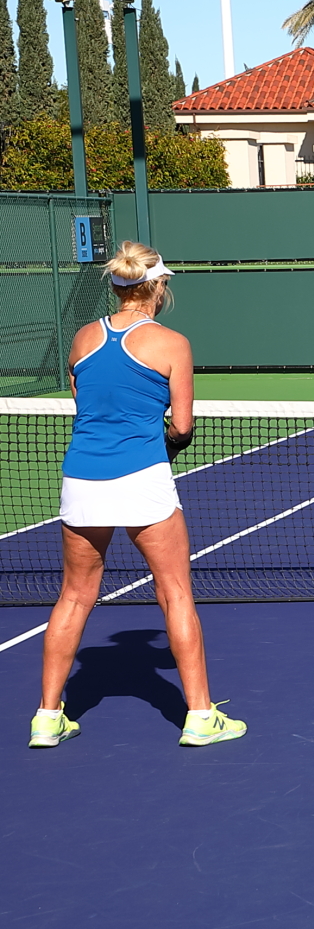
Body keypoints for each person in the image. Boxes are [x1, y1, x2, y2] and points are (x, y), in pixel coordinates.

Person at [31, 242, 246, 750]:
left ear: (117, 285)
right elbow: (184, 426)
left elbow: (87, 408)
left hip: (81, 479)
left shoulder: (83, 338)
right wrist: (162, 445)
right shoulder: (173, 344)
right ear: (159, 287)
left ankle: (46, 717)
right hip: (143, 477)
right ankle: (199, 716)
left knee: (74, 595)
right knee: (174, 593)